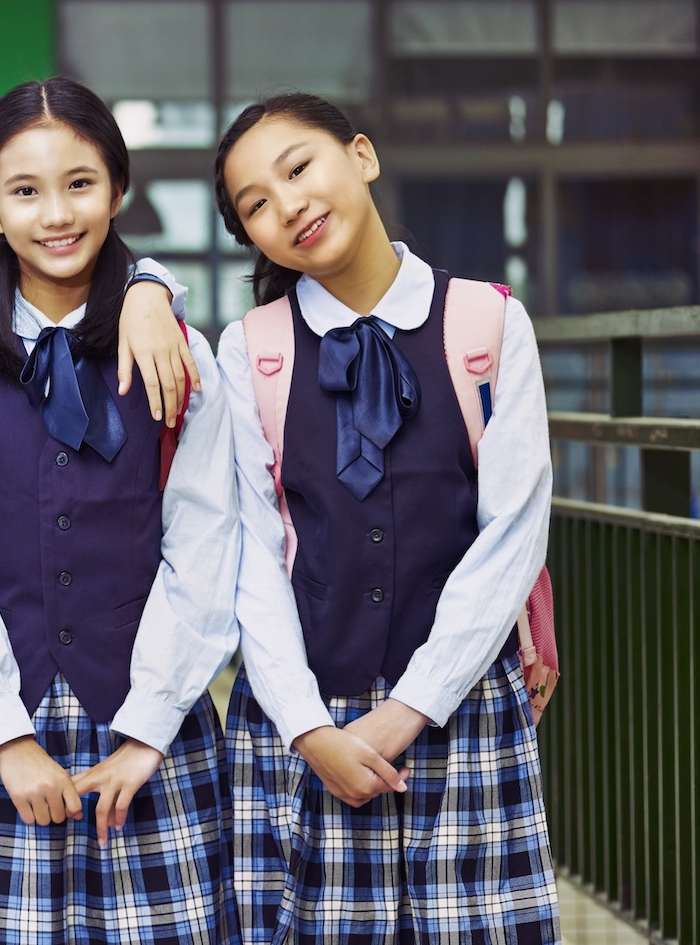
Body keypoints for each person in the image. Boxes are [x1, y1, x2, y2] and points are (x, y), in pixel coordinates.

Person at [0, 77, 240, 945]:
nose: (57, 213)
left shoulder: (180, 353)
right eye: (26, 189)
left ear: (118, 190)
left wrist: (149, 730)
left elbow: (207, 545)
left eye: (81, 183)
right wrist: (6, 735)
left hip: (153, 726)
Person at [212, 92, 558, 942]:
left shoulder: (487, 322)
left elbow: (512, 532)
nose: (287, 204)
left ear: (361, 156)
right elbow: (250, 551)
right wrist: (307, 726)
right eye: (255, 202)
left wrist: (409, 708)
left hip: (459, 702)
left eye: (299, 168)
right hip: (304, 722)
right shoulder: (251, 347)